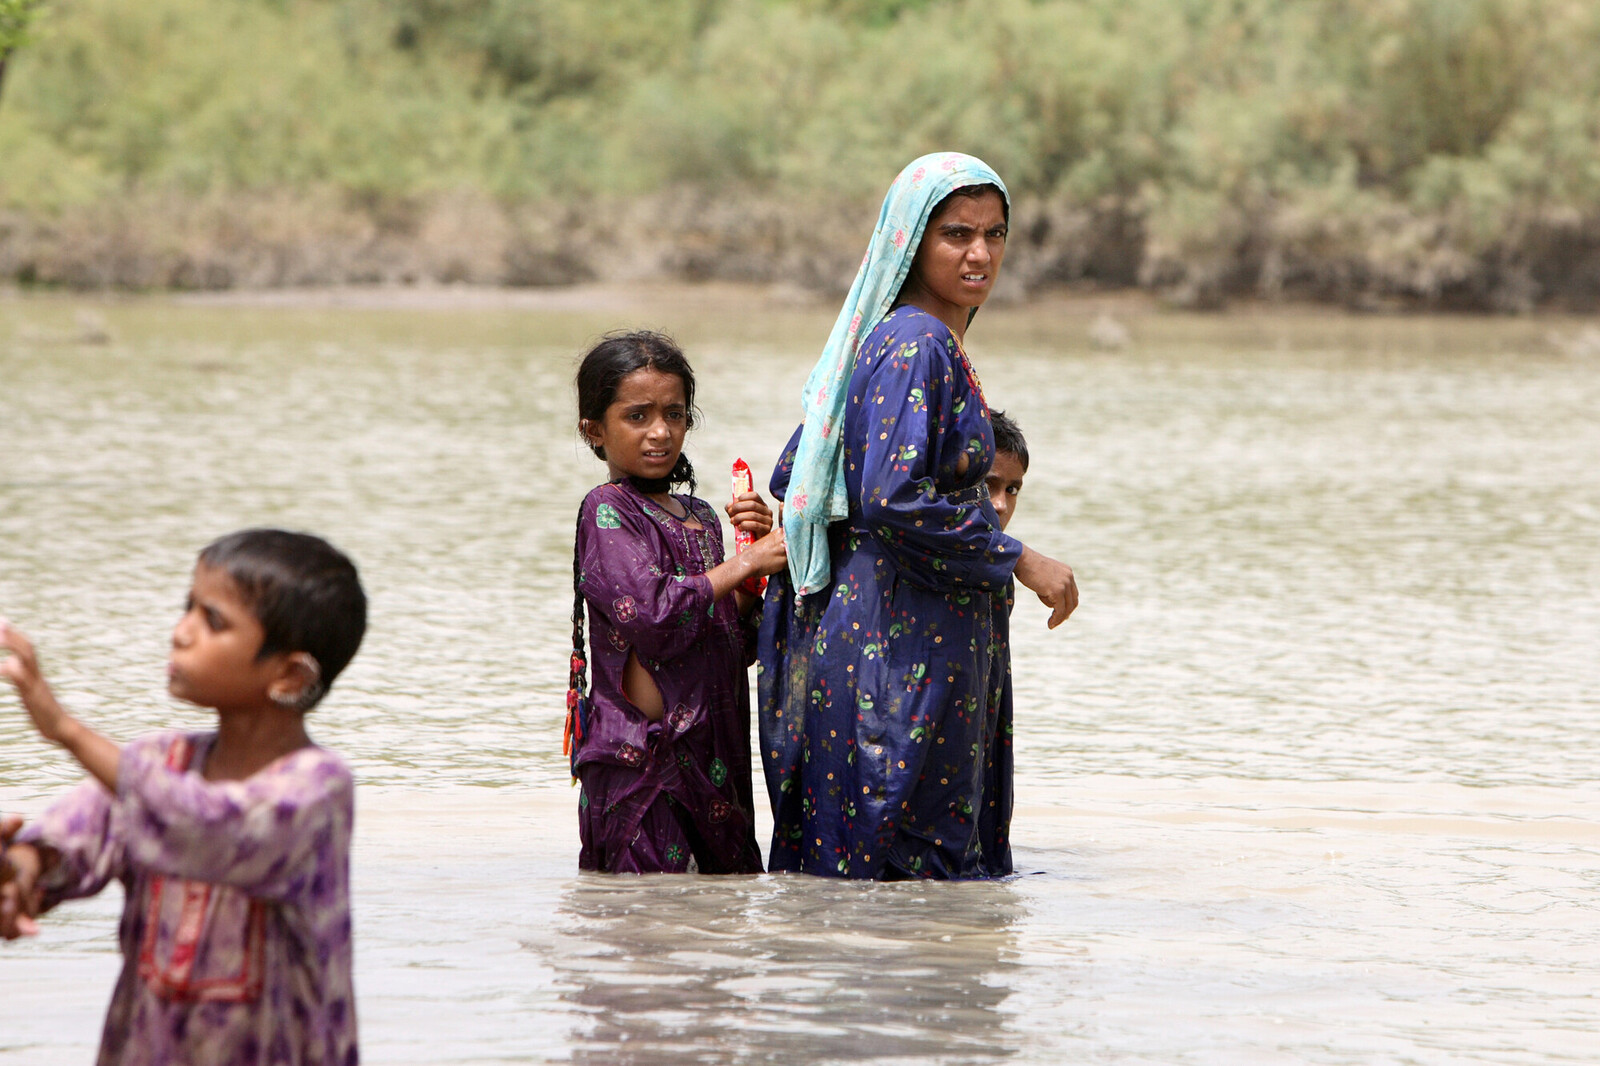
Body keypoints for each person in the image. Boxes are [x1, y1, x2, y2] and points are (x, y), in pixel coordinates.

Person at [759, 152, 1078, 880]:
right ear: (910, 241)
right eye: (956, 234)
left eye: (995, 235)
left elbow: (805, 466)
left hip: (904, 632)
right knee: (903, 864)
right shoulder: (917, 343)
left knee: (891, 871)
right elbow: (892, 497)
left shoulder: (917, 340)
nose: (980, 253)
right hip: (896, 648)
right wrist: (1019, 559)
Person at [0, 529, 367, 1066]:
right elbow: (80, 834)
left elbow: (206, 826)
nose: (180, 632)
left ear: (289, 675)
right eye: (187, 608)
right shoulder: (159, 762)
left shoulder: (316, 788)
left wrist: (66, 730)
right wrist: (21, 869)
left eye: (212, 621)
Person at [568, 330, 787, 874]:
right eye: (637, 416)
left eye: (675, 414)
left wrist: (753, 571)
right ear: (594, 429)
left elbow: (731, 643)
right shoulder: (606, 510)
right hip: (644, 766)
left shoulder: (704, 517)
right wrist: (743, 565)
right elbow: (651, 617)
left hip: (715, 765)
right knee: (647, 936)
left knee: (716, 936)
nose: (661, 432)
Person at [977, 409, 1028, 877]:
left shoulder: (998, 571)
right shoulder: (950, 562)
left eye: (1012, 489)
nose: (1001, 504)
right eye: (989, 485)